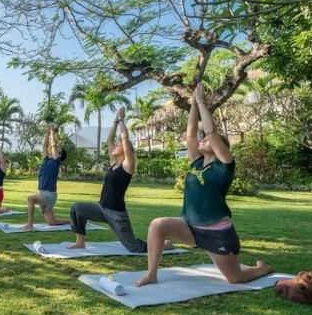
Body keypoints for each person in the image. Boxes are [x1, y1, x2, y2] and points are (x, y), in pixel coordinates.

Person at [134, 83, 274, 287]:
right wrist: (193, 103)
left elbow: (211, 131)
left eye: (208, 140)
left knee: (235, 278)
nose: (203, 140)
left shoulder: (224, 165)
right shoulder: (196, 162)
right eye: (204, 139)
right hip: (190, 227)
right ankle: (151, 274)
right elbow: (191, 133)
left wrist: (202, 102)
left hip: (217, 232)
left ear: (220, 147)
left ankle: (263, 268)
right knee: (158, 224)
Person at [68, 108, 174, 252]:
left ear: (125, 149)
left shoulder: (127, 165)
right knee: (77, 208)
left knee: (134, 247)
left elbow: (124, 138)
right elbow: (109, 140)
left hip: (116, 214)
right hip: (101, 208)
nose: (114, 146)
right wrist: (115, 121)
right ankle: (80, 242)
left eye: (118, 145)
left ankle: (164, 244)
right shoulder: (114, 163)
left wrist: (122, 120)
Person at [20, 123, 71, 230]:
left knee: (30, 199)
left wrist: (52, 130)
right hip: (44, 194)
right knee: (52, 222)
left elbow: (53, 145)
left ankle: (30, 224)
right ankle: (72, 221)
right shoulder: (46, 159)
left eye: (59, 150)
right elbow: (45, 146)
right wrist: (47, 133)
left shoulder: (56, 161)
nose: (56, 149)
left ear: (60, 155)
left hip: (49, 195)